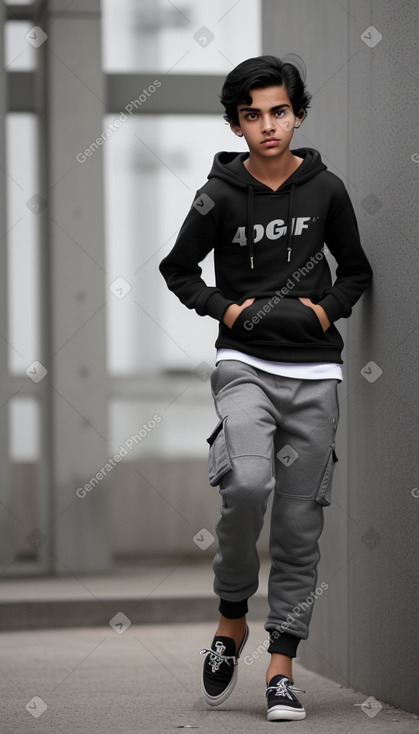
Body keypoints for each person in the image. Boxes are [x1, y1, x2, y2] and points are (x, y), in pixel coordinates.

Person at [159, 54, 372, 722]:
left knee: (299, 523)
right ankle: (230, 621)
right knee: (247, 485)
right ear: (236, 123)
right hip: (244, 364)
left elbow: (355, 273)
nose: (266, 125)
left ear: (296, 114)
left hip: (314, 373)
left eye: (277, 111)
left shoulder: (326, 189)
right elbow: (178, 269)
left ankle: (281, 666)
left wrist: (322, 310)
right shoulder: (215, 196)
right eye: (251, 115)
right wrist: (225, 310)